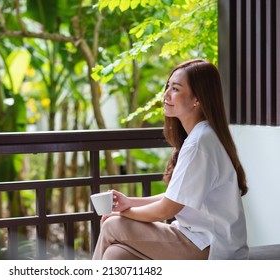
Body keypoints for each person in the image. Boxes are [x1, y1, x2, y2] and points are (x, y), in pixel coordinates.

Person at [92, 59, 249, 260]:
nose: (165, 95)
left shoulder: (200, 143)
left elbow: (167, 209)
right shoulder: (202, 136)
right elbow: (174, 198)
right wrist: (129, 202)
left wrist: (123, 213)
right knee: (117, 255)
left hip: (212, 248)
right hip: (198, 239)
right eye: (167, 87)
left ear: (197, 99)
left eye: (175, 89)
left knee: (113, 225)